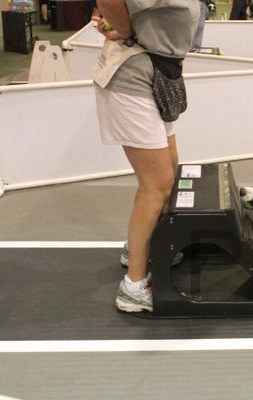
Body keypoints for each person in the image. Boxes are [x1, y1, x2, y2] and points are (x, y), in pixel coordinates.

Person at [92, 0, 199, 313]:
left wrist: (117, 24)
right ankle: (134, 286)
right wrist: (122, 27)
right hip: (133, 76)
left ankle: (142, 247)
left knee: (170, 171)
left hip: (158, 73)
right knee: (157, 183)